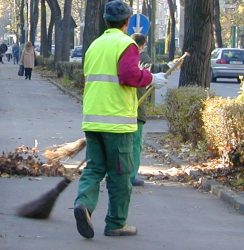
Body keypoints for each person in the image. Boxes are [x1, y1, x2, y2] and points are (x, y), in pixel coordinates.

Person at [73, 0, 167, 239]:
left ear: (106, 21)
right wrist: (151, 78)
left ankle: (83, 203)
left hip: (93, 119)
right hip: (118, 121)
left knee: (94, 168)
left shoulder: (95, 44)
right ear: (127, 22)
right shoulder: (127, 43)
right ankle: (116, 223)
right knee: (120, 174)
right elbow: (128, 75)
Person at [129, 33, 175, 186]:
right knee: (135, 144)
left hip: (120, 107)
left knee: (121, 144)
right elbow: (151, 69)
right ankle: (130, 176)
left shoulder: (123, 55)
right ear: (143, 45)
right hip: (134, 107)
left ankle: (116, 174)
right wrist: (168, 66)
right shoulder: (139, 55)